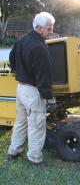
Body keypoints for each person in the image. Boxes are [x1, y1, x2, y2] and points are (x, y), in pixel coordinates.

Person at [8, 12, 56, 167]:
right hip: (33, 92)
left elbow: (11, 59)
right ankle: (35, 160)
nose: (51, 31)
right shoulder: (39, 46)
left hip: (21, 88)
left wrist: (21, 72)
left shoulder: (21, 40)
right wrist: (49, 97)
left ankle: (13, 152)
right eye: (49, 29)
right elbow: (44, 76)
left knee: (21, 122)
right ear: (40, 28)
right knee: (36, 125)